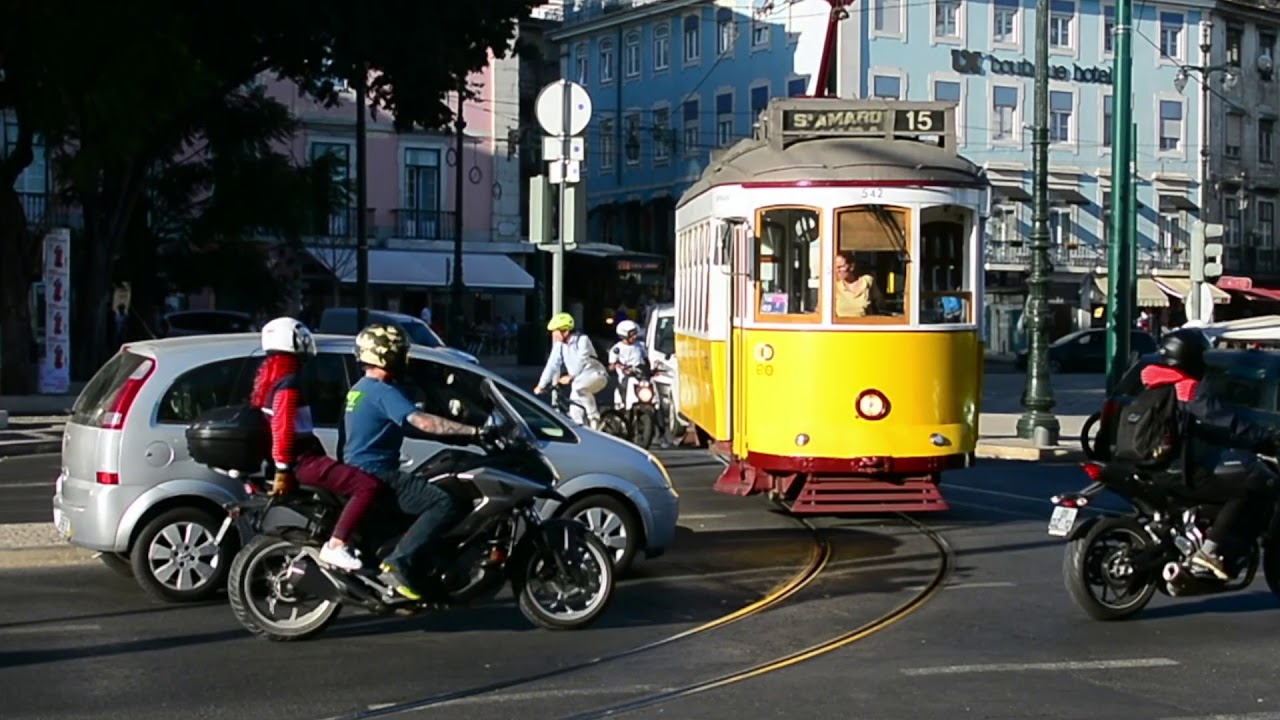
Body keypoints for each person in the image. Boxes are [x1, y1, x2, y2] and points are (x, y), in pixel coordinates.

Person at [343, 323, 489, 601]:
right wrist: (475, 431)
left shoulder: (360, 389)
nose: (404, 357)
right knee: (445, 502)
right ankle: (398, 562)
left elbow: (407, 427)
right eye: (399, 351)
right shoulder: (383, 391)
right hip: (379, 473)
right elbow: (421, 421)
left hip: (360, 469)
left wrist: (457, 437)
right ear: (386, 355)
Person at [1139, 328, 1280, 579]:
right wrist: (1264, 437)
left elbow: (1192, 427)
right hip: (1180, 469)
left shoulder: (1153, 383)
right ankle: (1209, 551)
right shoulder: (1187, 388)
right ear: (1191, 357)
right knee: (1243, 489)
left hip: (1151, 465)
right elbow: (1224, 419)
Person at [249, 317, 383, 572]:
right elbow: (282, 427)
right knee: (367, 486)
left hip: (297, 461)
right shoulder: (289, 383)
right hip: (303, 462)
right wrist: (283, 469)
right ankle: (336, 545)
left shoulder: (271, 380)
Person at [533, 312, 608, 428]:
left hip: (596, 375)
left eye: (555, 331)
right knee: (574, 413)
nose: (553, 335)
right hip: (578, 380)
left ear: (565, 331)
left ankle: (594, 418)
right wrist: (541, 385)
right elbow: (551, 365)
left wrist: (570, 376)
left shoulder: (582, 340)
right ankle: (582, 432)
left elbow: (582, 360)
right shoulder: (559, 346)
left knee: (579, 387)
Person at [608, 319, 648, 410]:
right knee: (625, 390)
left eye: (635, 333)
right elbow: (611, 365)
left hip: (640, 375)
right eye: (632, 334)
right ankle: (624, 406)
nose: (635, 336)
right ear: (624, 335)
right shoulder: (617, 348)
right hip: (625, 378)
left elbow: (647, 359)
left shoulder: (640, 345)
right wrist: (618, 366)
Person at [833, 251, 885, 318]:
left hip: (864, 323)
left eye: (841, 267)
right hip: (842, 324)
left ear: (851, 267)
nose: (838, 270)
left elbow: (881, 304)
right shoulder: (834, 286)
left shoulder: (867, 281)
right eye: (836, 267)